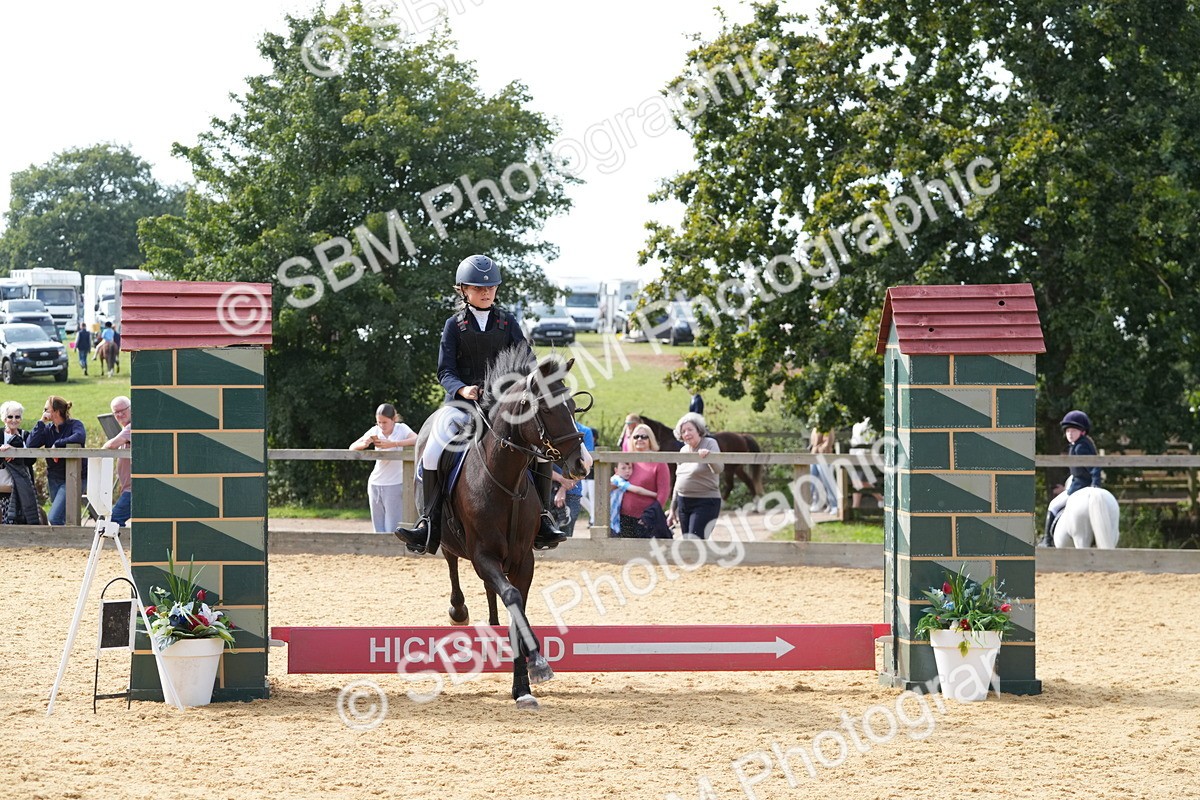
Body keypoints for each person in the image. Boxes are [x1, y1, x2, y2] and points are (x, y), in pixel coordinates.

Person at [395, 254, 572, 553]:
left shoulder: (507, 322)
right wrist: (462, 389)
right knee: (433, 448)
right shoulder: (454, 325)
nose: (486, 292)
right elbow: (445, 370)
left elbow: (527, 361)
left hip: (502, 405)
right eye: (478, 288)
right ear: (463, 290)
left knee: (541, 451)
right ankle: (429, 522)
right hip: (463, 404)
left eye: (491, 287)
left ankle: (543, 518)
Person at [351, 403, 418, 533]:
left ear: (394, 419)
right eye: (378, 422)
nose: (381, 426)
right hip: (375, 482)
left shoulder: (402, 429)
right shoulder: (374, 430)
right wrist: (365, 443)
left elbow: (417, 438)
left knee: (392, 527)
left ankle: (393, 552)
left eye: (385, 422)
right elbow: (352, 447)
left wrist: (394, 444)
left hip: (395, 483)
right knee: (378, 528)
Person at [1041, 410, 1102, 548]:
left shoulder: (1080, 447)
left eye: (1074, 430)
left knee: (1053, 505)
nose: (1070, 434)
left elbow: (1094, 467)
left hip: (1079, 489)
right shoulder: (1079, 445)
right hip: (1077, 485)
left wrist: (1095, 484)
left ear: (1083, 432)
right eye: (1068, 431)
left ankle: (1047, 540)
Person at [25, 395, 87, 526]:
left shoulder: (75, 425)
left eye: (46, 409)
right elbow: (31, 444)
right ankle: (68, 543)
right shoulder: (47, 429)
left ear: (56, 411)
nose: (44, 412)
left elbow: (79, 437)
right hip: (54, 477)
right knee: (61, 517)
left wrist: (58, 444)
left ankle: (63, 542)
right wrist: (41, 422)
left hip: (75, 477)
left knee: (54, 518)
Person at [667, 412, 722, 538]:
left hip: (706, 500)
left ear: (699, 430)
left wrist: (709, 458)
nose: (687, 433)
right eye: (683, 431)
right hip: (683, 502)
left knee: (695, 541)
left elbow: (719, 469)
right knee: (688, 544)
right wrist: (672, 509)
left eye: (690, 429)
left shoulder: (709, 443)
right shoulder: (683, 450)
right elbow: (679, 480)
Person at [615, 423, 672, 538]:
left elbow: (663, 494)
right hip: (624, 517)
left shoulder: (659, 462)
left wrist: (649, 516)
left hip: (646, 519)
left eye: (644, 436)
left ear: (650, 439)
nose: (639, 439)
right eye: (636, 437)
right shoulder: (626, 460)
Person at [0, 401, 38, 524]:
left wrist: (15, 453)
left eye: (17, 417)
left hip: (20, 485)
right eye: (10, 417)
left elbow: (31, 460)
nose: (14, 420)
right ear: (4, 418)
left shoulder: (25, 435)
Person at [102, 395, 132, 526]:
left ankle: (118, 546)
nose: (120, 414)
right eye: (116, 412)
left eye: (123, 410)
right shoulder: (125, 429)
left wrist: (98, 453)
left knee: (114, 521)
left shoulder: (133, 427)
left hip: (134, 490)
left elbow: (111, 445)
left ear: (131, 409)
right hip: (128, 488)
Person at [849, 417, 883, 509]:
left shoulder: (870, 423)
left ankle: (881, 498)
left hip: (864, 455)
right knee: (856, 482)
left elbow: (869, 441)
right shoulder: (856, 423)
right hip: (854, 456)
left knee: (861, 481)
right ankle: (855, 507)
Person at [809, 427, 839, 514]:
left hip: (825, 456)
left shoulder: (827, 426)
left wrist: (822, 448)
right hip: (814, 456)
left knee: (828, 482)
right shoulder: (815, 427)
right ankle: (816, 503)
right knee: (812, 480)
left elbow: (829, 440)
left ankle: (834, 505)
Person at [609, 461, 634, 535]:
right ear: (616, 470)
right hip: (610, 522)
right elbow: (636, 490)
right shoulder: (617, 480)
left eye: (629, 468)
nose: (627, 471)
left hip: (614, 522)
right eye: (623, 468)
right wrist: (654, 494)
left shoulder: (619, 480)